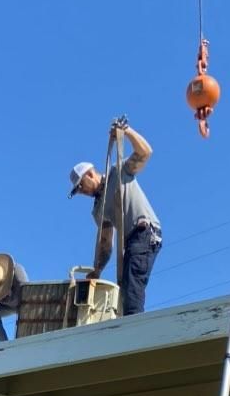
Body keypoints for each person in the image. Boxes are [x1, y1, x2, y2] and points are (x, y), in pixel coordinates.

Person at [68, 119, 162, 315]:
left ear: (90, 174)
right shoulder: (98, 210)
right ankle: (130, 328)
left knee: (132, 293)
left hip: (144, 232)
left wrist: (126, 131)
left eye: (81, 186)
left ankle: (134, 335)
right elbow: (105, 243)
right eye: (78, 191)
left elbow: (145, 153)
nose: (82, 192)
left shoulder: (118, 172)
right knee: (126, 294)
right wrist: (97, 270)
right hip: (131, 242)